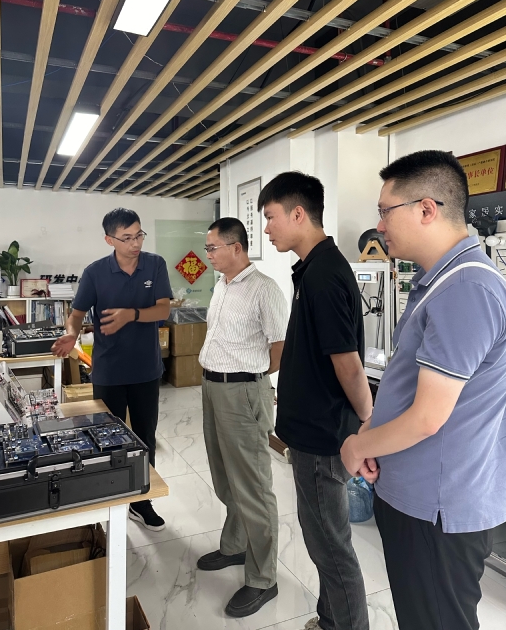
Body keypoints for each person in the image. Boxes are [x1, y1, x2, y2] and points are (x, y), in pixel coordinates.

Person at [340, 150, 506, 630]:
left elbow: (428, 417)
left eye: (385, 211)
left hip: (436, 507)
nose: (379, 227)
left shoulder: (466, 288)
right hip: (416, 494)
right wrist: (373, 432)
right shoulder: (441, 282)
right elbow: (411, 387)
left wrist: (357, 446)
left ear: (427, 209)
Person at [258, 172, 373, 630]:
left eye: (271, 217)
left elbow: (348, 363)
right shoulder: (313, 268)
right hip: (313, 432)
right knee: (323, 540)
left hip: (325, 438)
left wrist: (367, 422)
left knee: (331, 546)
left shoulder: (324, 274)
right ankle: (330, 620)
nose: (267, 228)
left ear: (298, 214)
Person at [52, 208, 171, 530]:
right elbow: (76, 314)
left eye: (139, 235)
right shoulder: (95, 273)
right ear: (110, 240)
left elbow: (163, 309)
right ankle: (110, 497)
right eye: (127, 238)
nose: (136, 243)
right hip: (109, 371)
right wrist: (71, 333)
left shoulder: (155, 265)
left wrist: (131, 315)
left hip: (146, 370)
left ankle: (141, 501)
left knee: (145, 437)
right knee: (106, 438)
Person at [196, 217, 288, 618]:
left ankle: (263, 578)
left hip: (242, 391)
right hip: (212, 388)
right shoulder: (222, 284)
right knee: (223, 474)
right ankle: (235, 545)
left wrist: (251, 379)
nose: (208, 254)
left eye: (212, 248)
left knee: (252, 485)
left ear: (236, 248)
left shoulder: (264, 289)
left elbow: (279, 347)